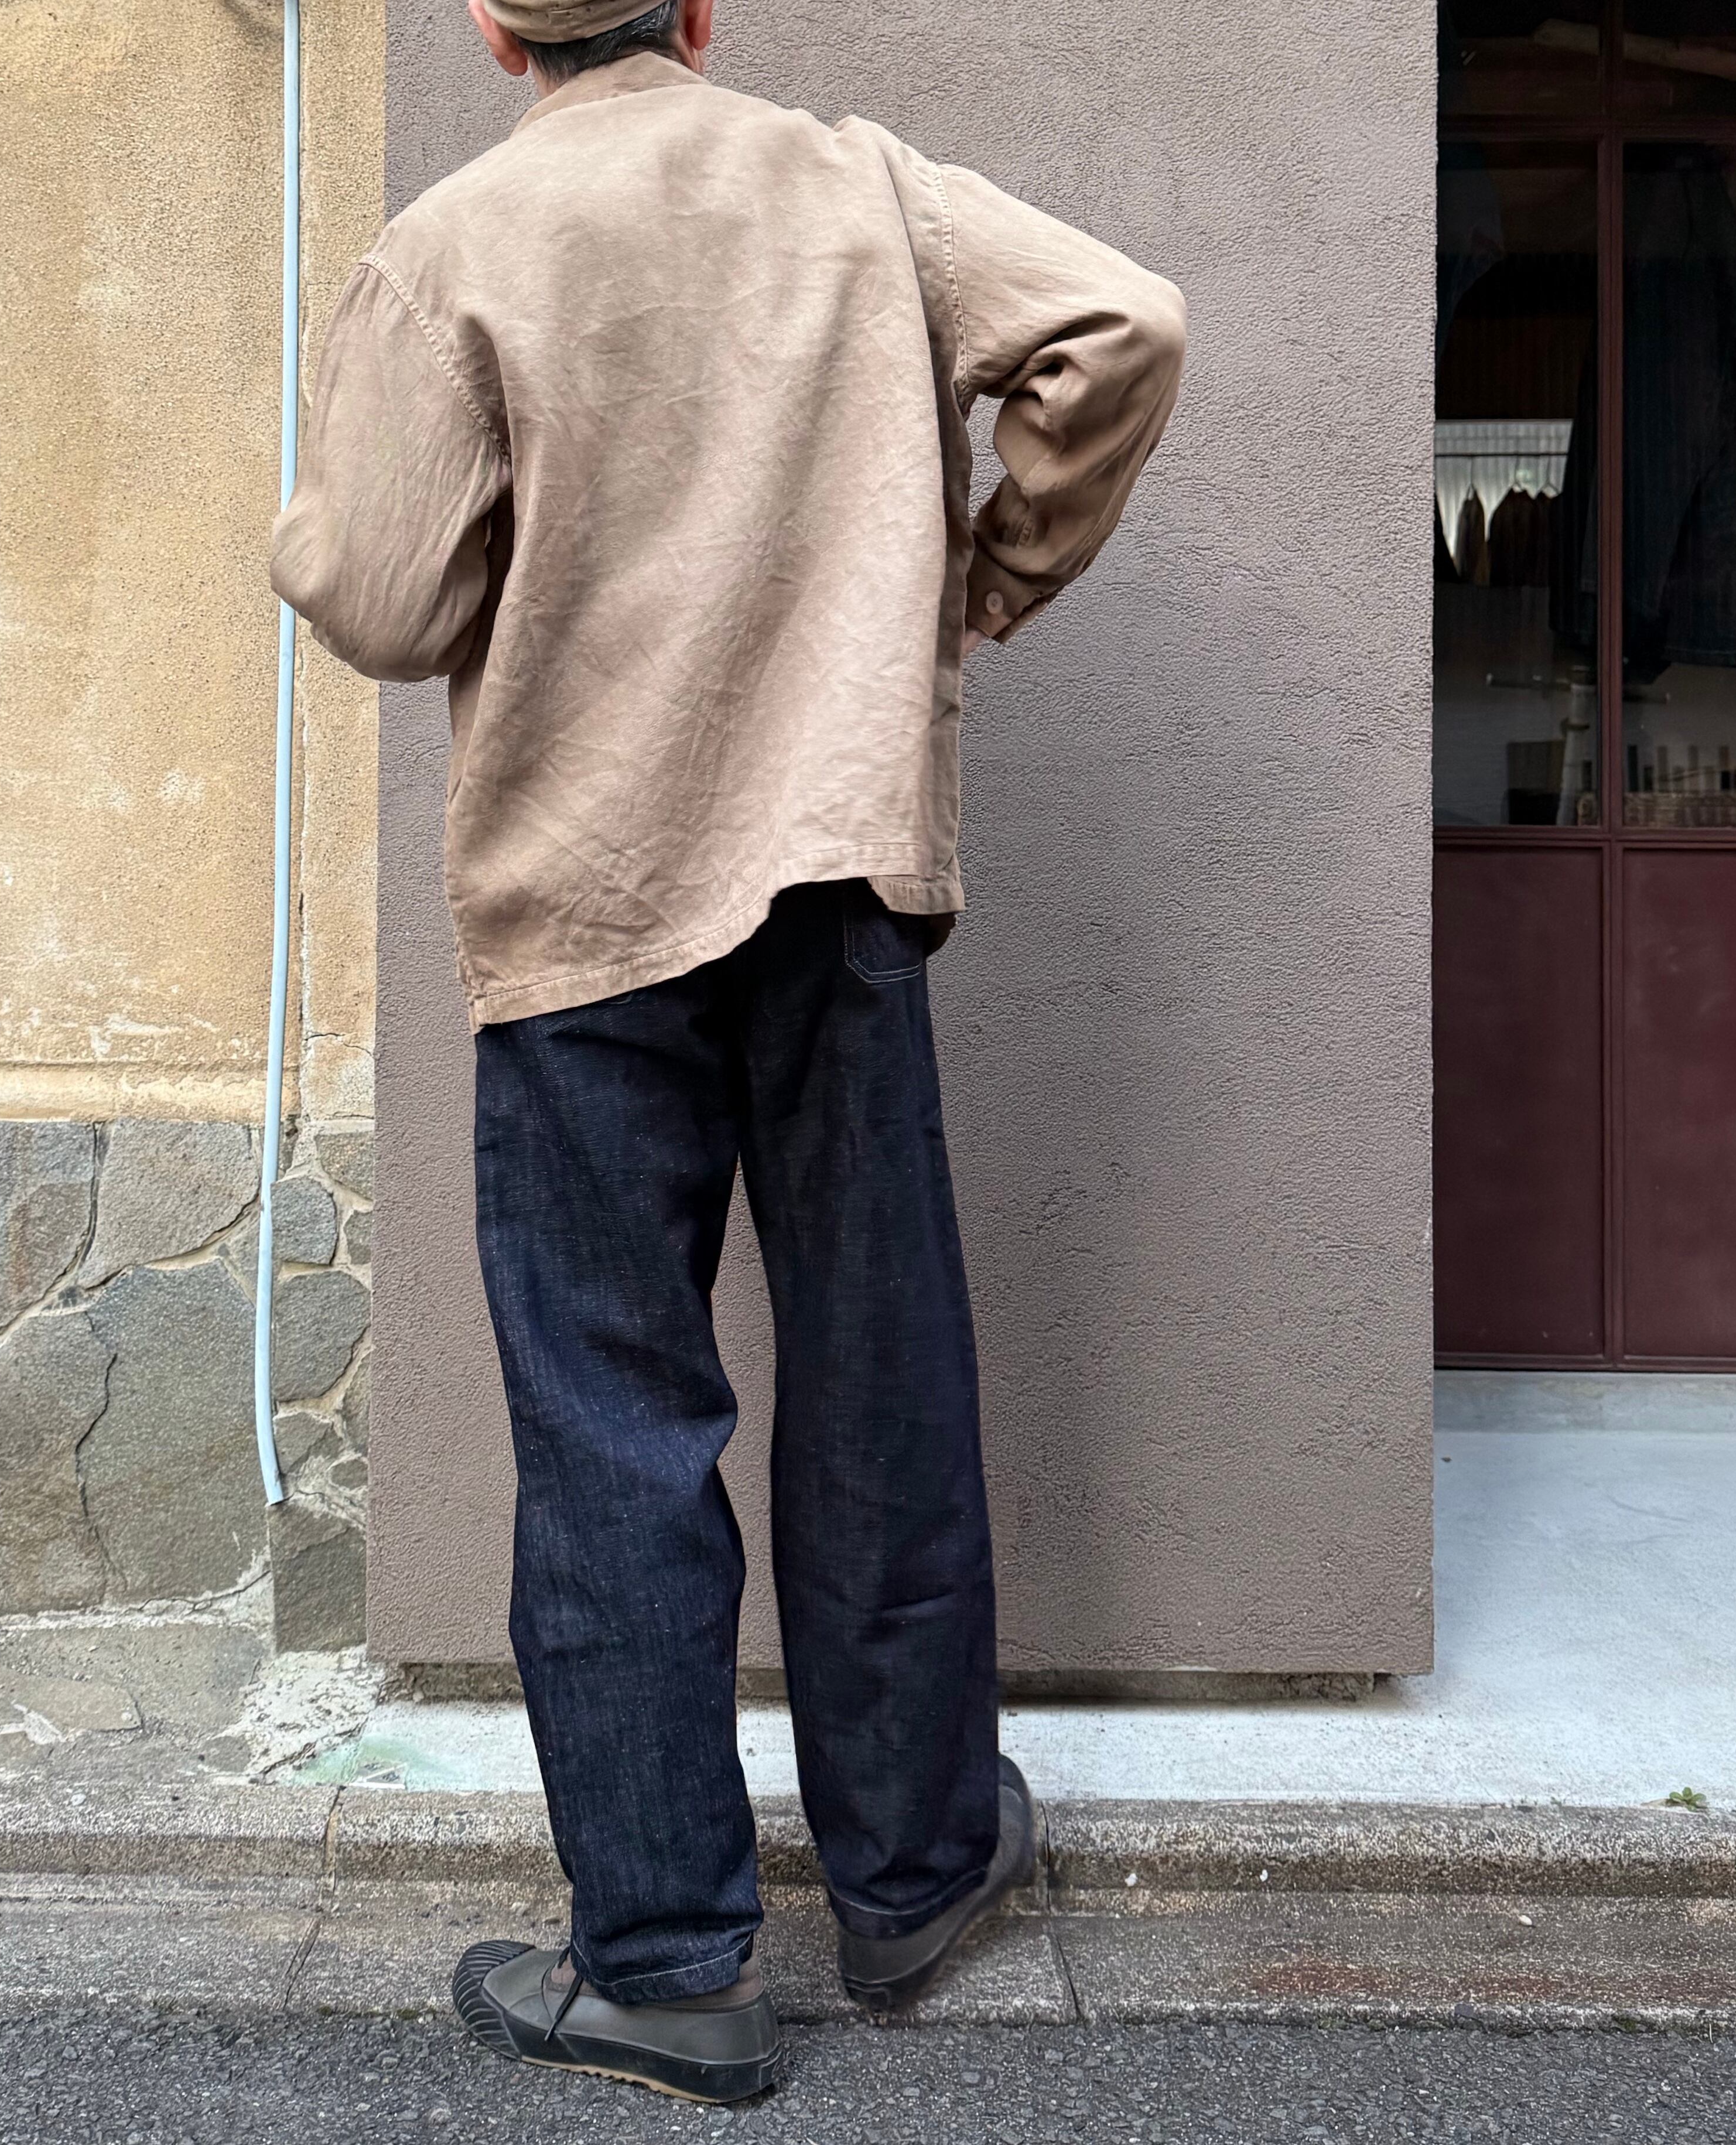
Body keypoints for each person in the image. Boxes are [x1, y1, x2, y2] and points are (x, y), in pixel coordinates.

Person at [272, 0, 1184, 2103]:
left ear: (495, 32)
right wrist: (989, 572)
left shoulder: (453, 245)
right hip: (834, 869)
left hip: (586, 907)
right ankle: (915, 1876)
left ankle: (669, 1964)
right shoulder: (861, 186)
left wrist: (340, 536)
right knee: (880, 1374)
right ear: (697, 12)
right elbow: (1120, 327)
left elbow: (385, 603)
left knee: (615, 1425)